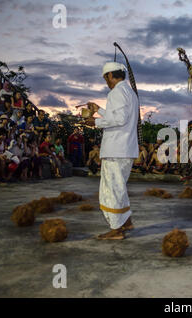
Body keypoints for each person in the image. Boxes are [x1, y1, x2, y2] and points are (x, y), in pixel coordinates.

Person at [85, 61, 139, 240]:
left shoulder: (116, 92)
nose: (105, 82)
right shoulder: (129, 92)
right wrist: (99, 110)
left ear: (109, 76)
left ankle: (116, 229)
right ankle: (126, 221)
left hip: (116, 149)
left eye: (105, 78)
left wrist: (96, 122)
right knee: (118, 187)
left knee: (111, 190)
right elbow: (117, 116)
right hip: (124, 149)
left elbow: (120, 118)